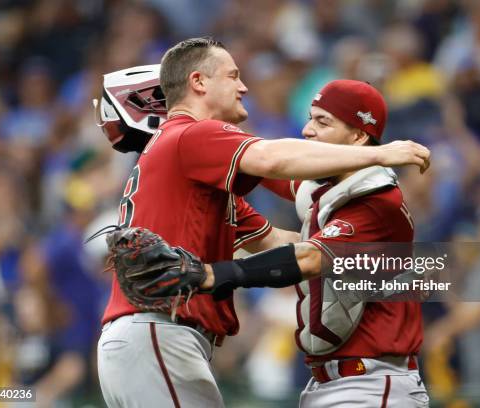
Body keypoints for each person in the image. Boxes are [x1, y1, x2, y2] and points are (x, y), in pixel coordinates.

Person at [96, 37, 430, 407]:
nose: (244, 86)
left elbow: (281, 240)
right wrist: (380, 154)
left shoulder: (199, 178)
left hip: (147, 340)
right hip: (159, 334)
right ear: (199, 83)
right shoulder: (193, 132)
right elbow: (273, 161)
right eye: (232, 76)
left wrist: (370, 249)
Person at [196, 80, 428, 407]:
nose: (307, 130)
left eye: (323, 121)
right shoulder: (332, 189)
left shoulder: (375, 200)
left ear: (359, 136)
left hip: (371, 383)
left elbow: (309, 259)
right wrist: (200, 134)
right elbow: (267, 167)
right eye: (310, 118)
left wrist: (215, 275)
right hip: (338, 382)